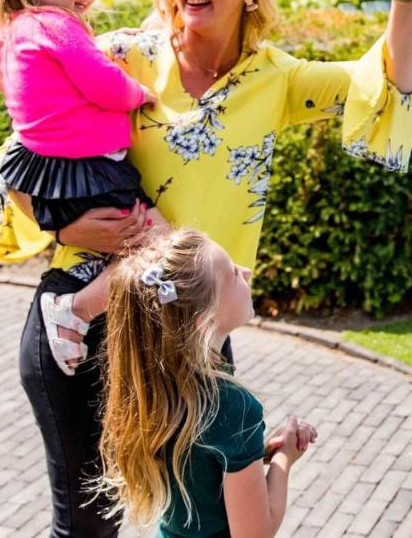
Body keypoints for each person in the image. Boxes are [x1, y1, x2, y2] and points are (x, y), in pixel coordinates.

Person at [0, 0, 412, 537]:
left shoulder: (276, 80)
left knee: (204, 525)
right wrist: (67, 230)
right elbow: (19, 158)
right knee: (88, 527)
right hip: (80, 324)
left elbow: (389, 82)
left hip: (196, 332)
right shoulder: (124, 57)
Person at [0, 0, 168, 377]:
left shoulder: (15, 30)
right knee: (155, 242)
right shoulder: (55, 25)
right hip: (90, 168)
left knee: (139, 245)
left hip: (47, 175)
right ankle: (74, 310)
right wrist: (139, 93)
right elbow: (101, 82)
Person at [97, 227, 316, 537]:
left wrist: (256, 452)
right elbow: (255, 534)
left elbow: (199, 468)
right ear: (207, 320)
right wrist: (284, 459)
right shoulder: (233, 408)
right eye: (232, 275)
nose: (247, 272)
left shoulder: (155, 390)